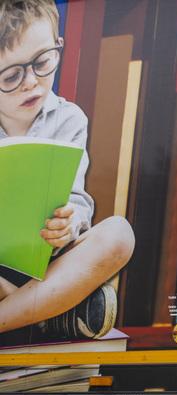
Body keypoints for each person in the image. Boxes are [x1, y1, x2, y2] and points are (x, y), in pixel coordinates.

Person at [0, 0, 134, 340]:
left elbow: (76, 198)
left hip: (49, 265)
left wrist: (69, 221)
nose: (31, 82)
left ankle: (15, 314)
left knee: (119, 234)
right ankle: (46, 314)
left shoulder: (68, 119)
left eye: (43, 62)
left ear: (57, 46)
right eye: (12, 75)